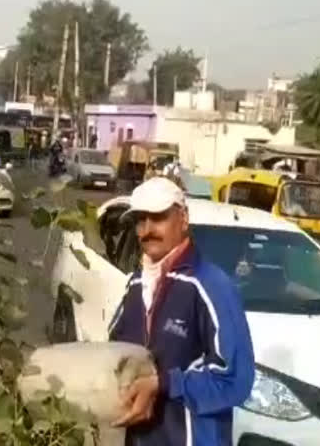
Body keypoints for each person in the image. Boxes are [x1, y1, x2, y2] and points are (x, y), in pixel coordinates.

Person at [109, 177, 255, 445]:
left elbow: (235, 379)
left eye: (158, 218)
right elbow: (115, 353)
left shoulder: (212, 285)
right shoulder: (136, 283)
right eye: (141, 220)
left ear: (183, 219)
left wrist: (162, 384)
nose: (147, 230)